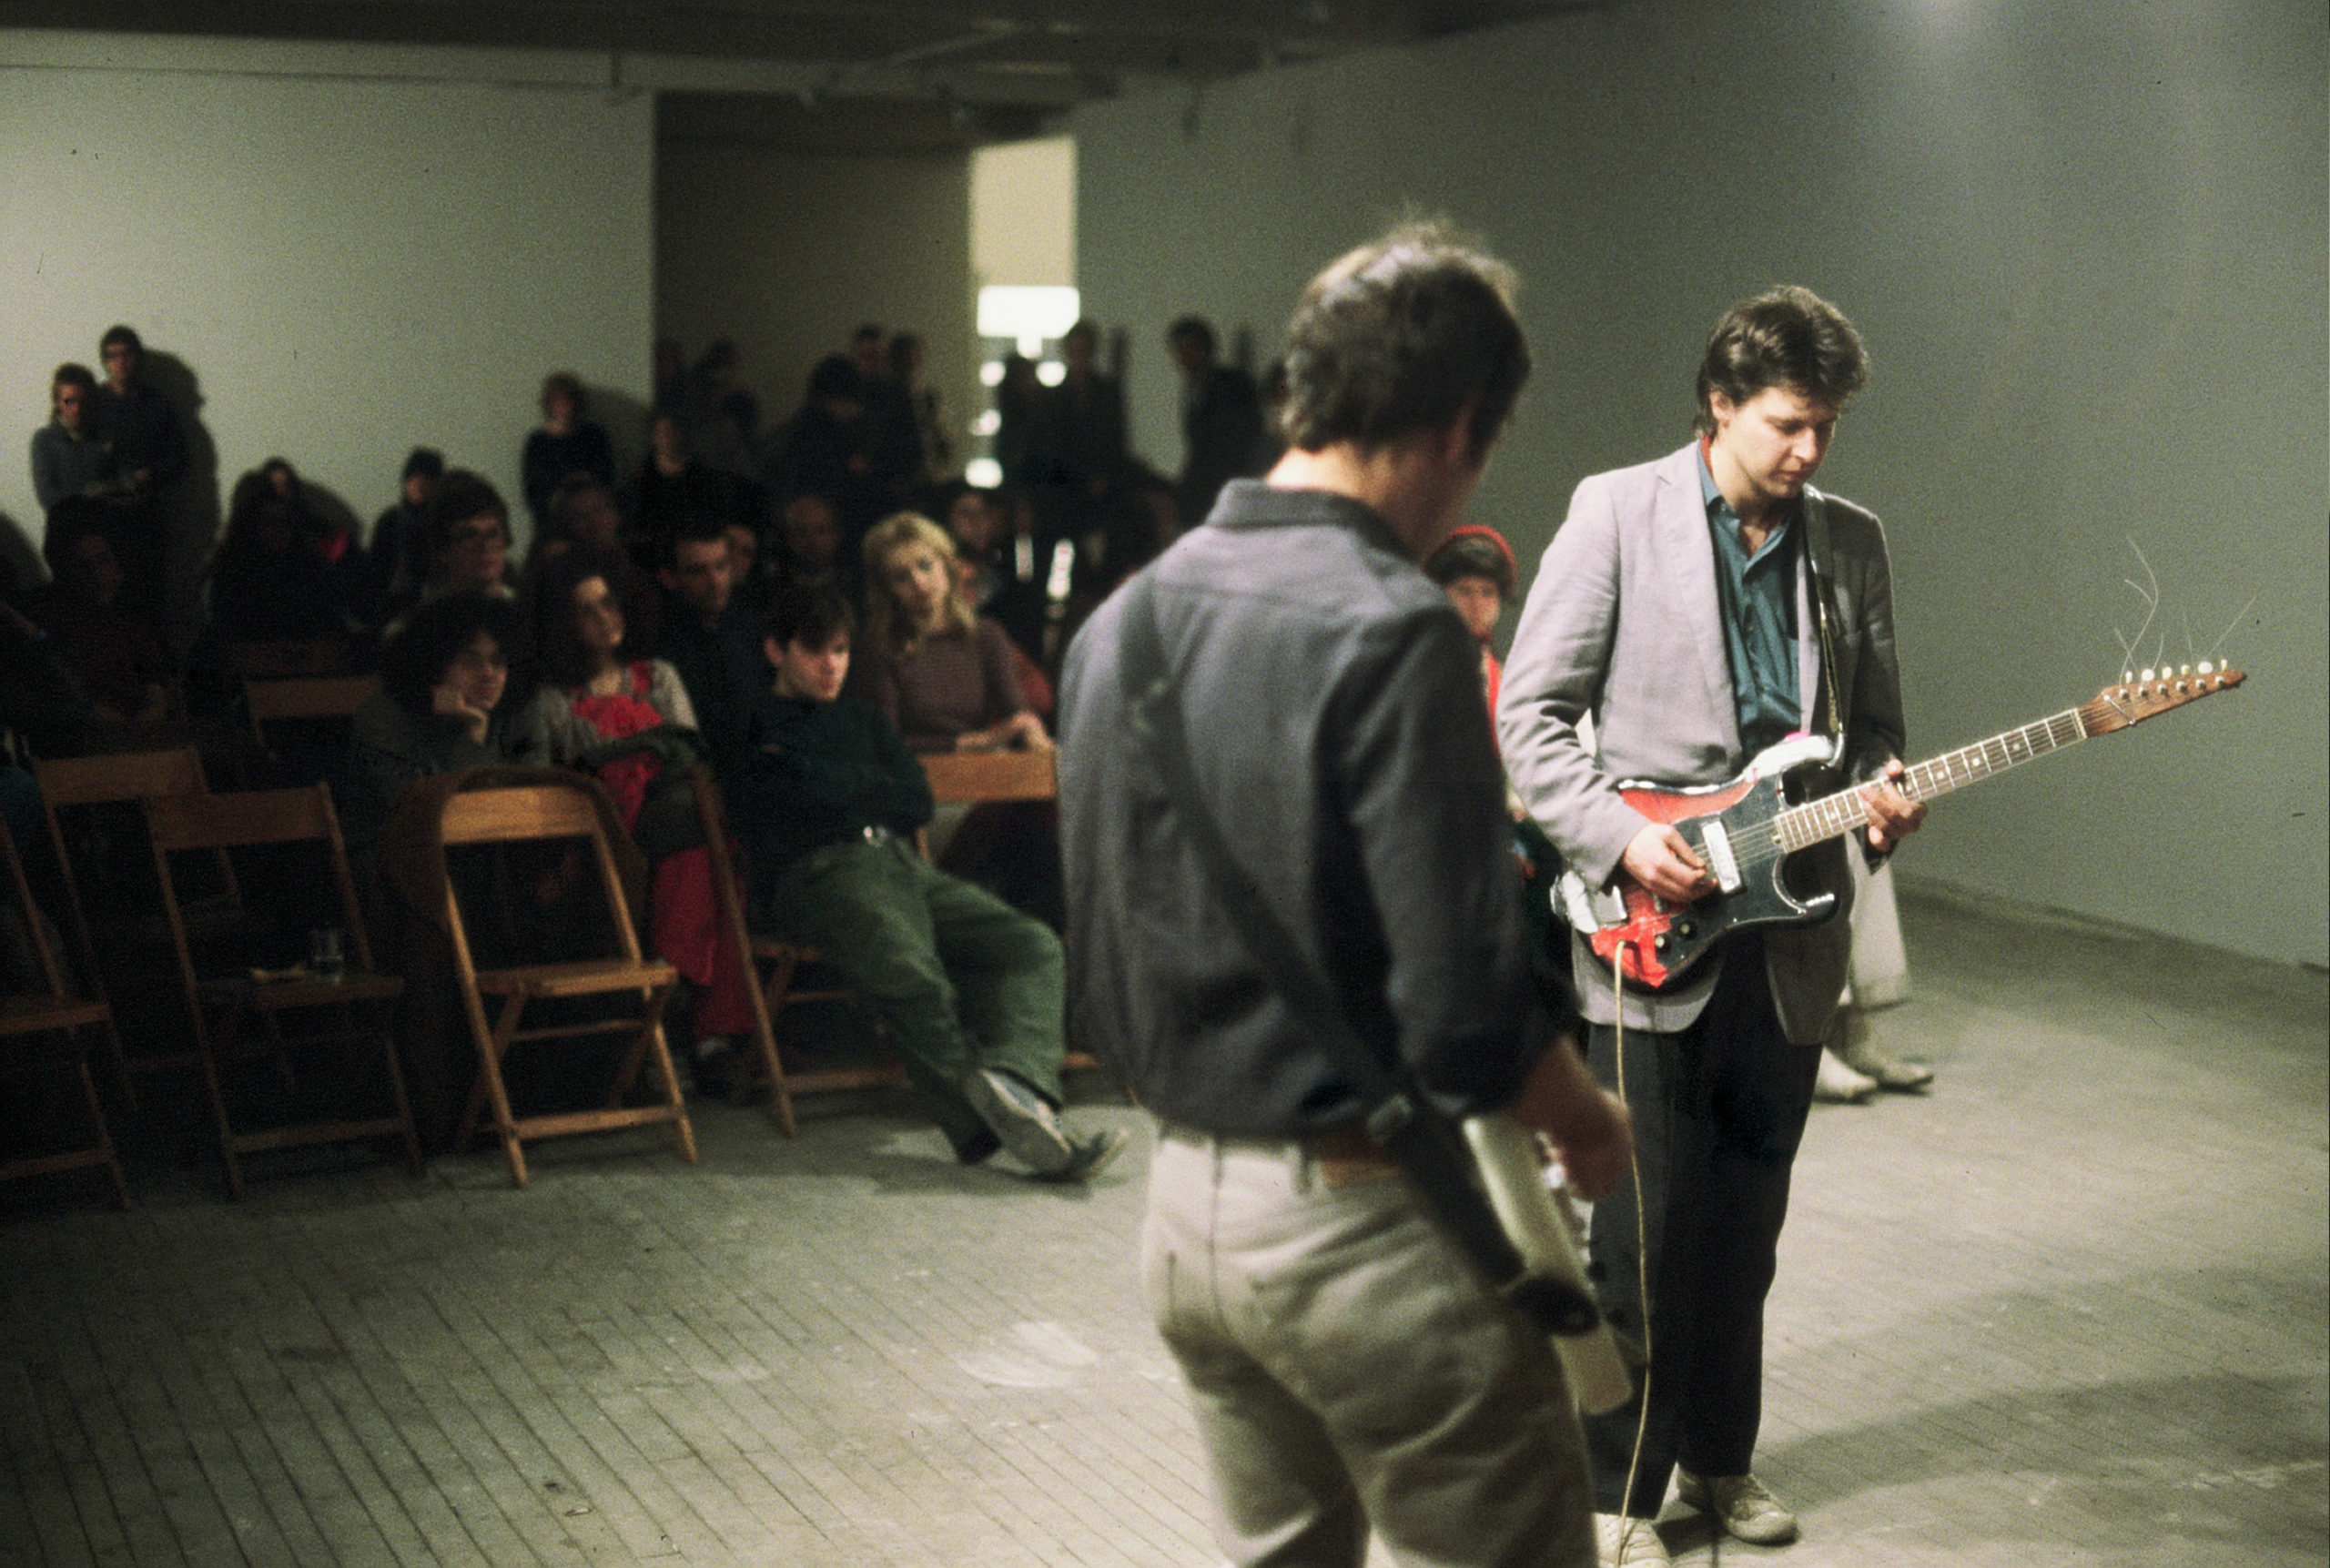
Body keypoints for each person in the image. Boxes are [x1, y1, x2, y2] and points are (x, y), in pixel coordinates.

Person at [1057, 222, 1633, 1568]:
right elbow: (1461, 1009)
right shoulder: (1393, 625)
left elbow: (1093, 958)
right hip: (1368, 1234)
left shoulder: (1117, 624)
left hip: (1186, 1223)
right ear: (1461, 425)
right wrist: (1584, 1114)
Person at [1496, 285, 1926, 1564]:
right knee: (1638, 1234)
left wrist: (1887, 797)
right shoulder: (1615, 512)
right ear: (1722, 404)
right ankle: (1617, 1488)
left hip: (1791, 941)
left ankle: (1721, 1460)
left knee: (1746, 1228)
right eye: (1790, 422)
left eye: (1828, 428)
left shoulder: (1851, 542)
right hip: (1648, 934)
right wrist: (1629, 839)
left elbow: (1882, 728)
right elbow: (1531, 715)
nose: (1810, 451)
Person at [729, 583, 1123, 1181]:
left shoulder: (861, 718)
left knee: (1031, 944)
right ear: (775, 649)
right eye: (816, 651)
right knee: (914, 974)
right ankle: (992, 1123)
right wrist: (859, 789)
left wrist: (838, 787)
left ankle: (1015, 1081)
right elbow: (787, 810)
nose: (833, 664)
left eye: (840, 650)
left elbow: (913, 798)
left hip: (896, 861)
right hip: (818, 873)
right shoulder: (753, 723)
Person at [533, 550, 753, 1075]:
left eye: (609, 602)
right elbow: (557, 781)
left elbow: (691, 760)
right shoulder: (554, 700)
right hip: (606, 843)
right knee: (699, 846)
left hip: (674, 825)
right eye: (587, 610)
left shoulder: (658, 677)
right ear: (564, 624)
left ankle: (671, 986)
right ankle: (702, 1033)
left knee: (698, 837)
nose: (605, 617)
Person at [343, 590, 552, 870]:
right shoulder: (382, 715)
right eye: (471, 660)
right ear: (433, 663)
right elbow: (425, 814)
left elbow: (532, 792)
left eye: (498, 661)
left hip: (503, 851)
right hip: (402, 857)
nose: (489, 673)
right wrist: (473, 733)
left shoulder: (521, 704)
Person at [853, 511, 1046, 754]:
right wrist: (973, 743)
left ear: (945, 564)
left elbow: (1016, 711)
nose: (920, 583)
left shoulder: (986, 635)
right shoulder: (879, 646)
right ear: (887, 589)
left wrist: (1030, 734)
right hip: (909, 781)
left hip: (978, 776)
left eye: (925, 565)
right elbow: (883, 743)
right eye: (902, 577)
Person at [653, 514, 767, 779]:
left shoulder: (756, 628)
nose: (715, 581)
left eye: (721, 566)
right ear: (669, 577)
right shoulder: (660, 646)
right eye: (698, 571)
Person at [1166, 314, 1265, 526]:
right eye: (1180, 351)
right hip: (1205, 486)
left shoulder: (1234, 384)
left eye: (1189, 349)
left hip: (1227, 483)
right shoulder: (1193, 388)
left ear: (1205, 347)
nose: (1184, 357)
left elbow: (1238, 440)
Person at [1424, 522, 1519, 721]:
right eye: (1463, 591)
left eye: (1487, 593)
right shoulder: (1415, 669)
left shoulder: (1505, 683)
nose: (1476, 605)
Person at [521, 372, 617, 531]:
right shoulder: (537, 443)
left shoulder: (594, 436)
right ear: (549, 404)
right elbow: (533, 492)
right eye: (559, 401)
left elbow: (607, 480)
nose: (566, 406)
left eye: (570, 399)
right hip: (552, 524)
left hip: (592, 523)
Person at [29, 363, 117, 513]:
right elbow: (48, 498)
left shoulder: (104, 437)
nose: (77, 409)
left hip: (106, 527)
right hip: (66, 530)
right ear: (57, 403)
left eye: (82, 401)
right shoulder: (45, 440)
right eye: (69, 401)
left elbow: (119, 488)